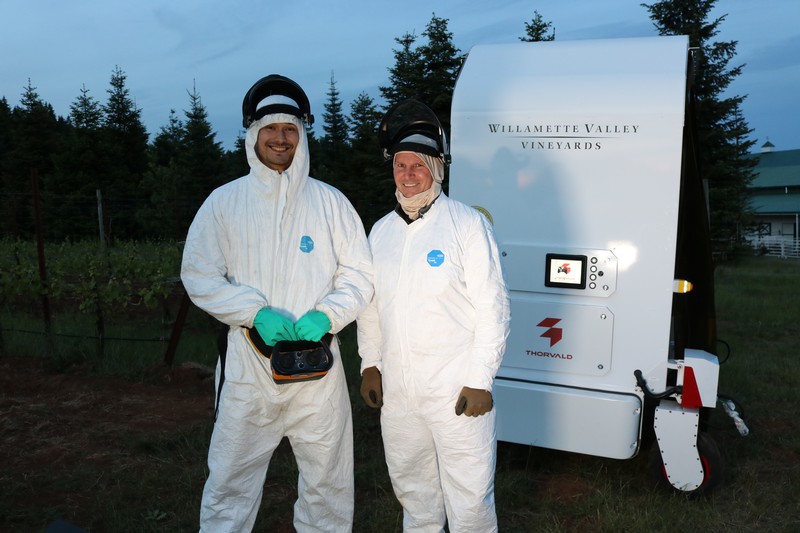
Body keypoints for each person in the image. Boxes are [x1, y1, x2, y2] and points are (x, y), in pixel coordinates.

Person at [181, 74, 373, 532]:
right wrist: (253, 312)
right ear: (253, 136)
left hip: (318, 371)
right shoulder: (224, 204)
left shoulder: (331, 204)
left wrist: (327, 314)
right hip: (249, 370)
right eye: (270, 129)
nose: (280, 138)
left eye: (290, 129)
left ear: (302, 136)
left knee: (328, 484)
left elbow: (360, 276)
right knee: (230, 481)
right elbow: (199, 275)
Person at [357, 99, 511, 532]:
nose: (408, 175)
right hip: (401, 395)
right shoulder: (381, 232)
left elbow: (493, 307)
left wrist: (481, 380)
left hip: (456, 392)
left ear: (437, 169)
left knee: (469, 499)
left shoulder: (466, 224)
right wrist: (371, 364)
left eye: (418, 166)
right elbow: (370, 307)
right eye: (401, 165)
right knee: (414, 494)